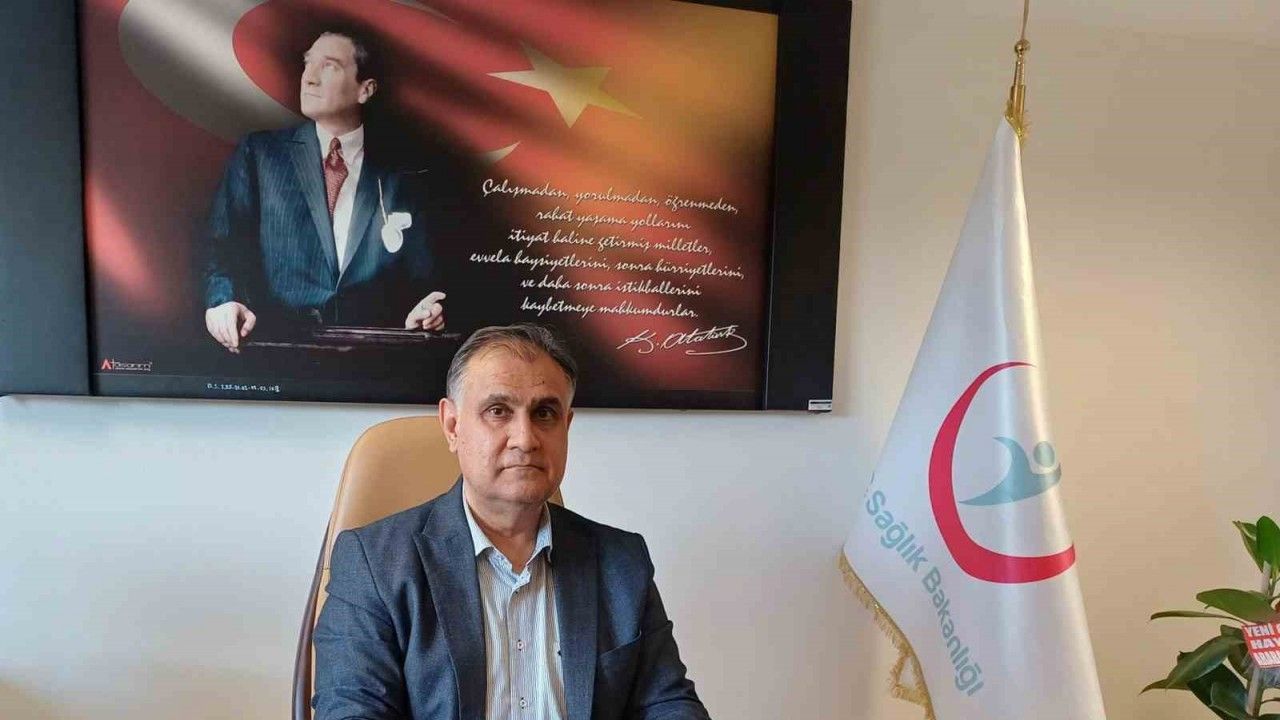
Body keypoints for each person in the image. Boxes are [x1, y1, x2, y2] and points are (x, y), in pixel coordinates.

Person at [313, 324, 711, 720]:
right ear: (452, 426)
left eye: (545, 413)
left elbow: (668, 703)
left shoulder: (621, 561)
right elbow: (352, 710)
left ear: (566, 426)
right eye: (498, 411)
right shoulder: (374, 563)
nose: (525, 438)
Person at [202, 30, 446, 352]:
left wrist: (425, 312)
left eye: (329, 66)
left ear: (366, 89)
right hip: (277, 350)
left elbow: (424, 278)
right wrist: (222, 302)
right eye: (308, 63)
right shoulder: (260, 155)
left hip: (376, 353)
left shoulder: (404, 170)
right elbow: (222, 249)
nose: (309, 78)